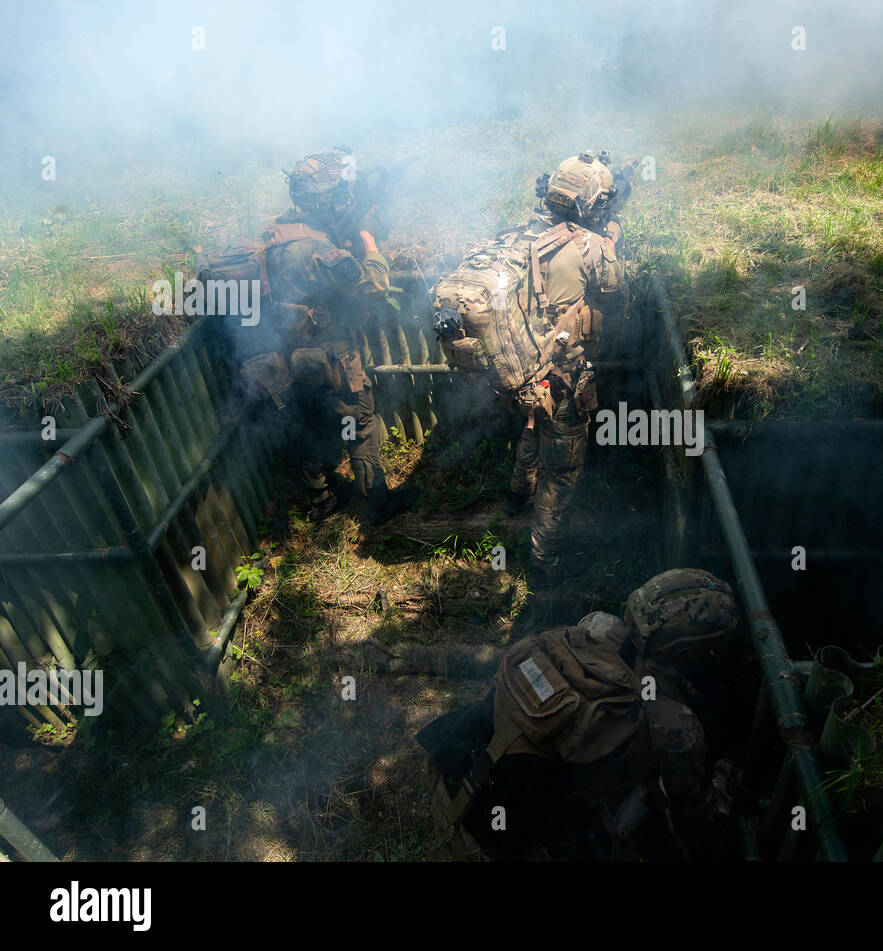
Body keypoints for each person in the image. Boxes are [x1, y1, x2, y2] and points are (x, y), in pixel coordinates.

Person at [416, 568, 739, 861]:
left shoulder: (591, 631)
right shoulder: (674, 726)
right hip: (488, 846)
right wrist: (725, 785)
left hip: (448, 781)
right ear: (695, 651)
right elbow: (695, 824)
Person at [236, 149, 417, 524]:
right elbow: (376, 283)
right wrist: (368, 241)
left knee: (310, 425)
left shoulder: (278, 231)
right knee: (361, 425)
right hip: (329, 357)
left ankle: (320, 499)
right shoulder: (317, 249)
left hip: (285, 355)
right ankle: (377, 500)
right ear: (326, 197)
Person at [504, 150, 630, 586]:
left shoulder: (518, 234)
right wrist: (610, 241)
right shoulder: (590, 246)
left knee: (532, 425)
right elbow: (617, 299)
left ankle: (516, 494)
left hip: (521, 370)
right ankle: (545, 563)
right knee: (562, 473)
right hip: (563, 378)